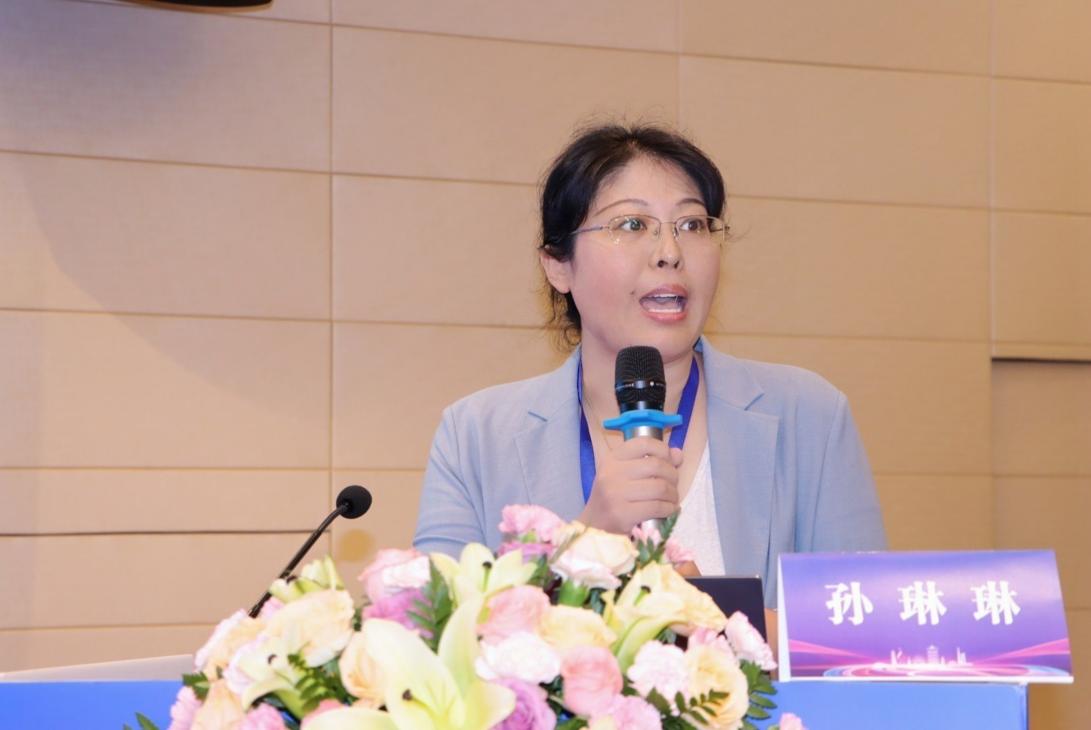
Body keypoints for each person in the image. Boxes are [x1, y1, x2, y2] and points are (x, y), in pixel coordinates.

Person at [413, 123, 885, 607]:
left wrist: (712, 616)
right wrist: (586, 542)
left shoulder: (810, 416)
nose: (670, 253)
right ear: (558, 265)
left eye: (692, 225)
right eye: (632, 225)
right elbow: (433, 635)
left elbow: (866, 629)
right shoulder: (474, 437)